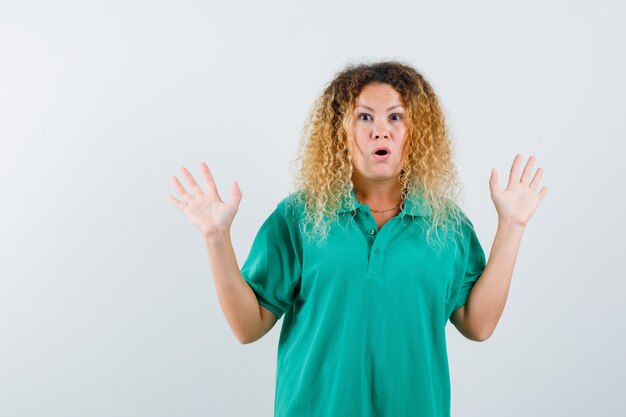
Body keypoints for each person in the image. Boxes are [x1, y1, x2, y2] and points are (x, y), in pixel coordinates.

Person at [167, 61, 548, 417]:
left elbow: (477, 324)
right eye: (364, 116)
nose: (380, 130)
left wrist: (512, 226)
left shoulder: (446, 225)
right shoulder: (300, 216)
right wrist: (216, 237)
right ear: (341, 132)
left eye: (395, 117)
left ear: (415, 133)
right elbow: (248, 327)